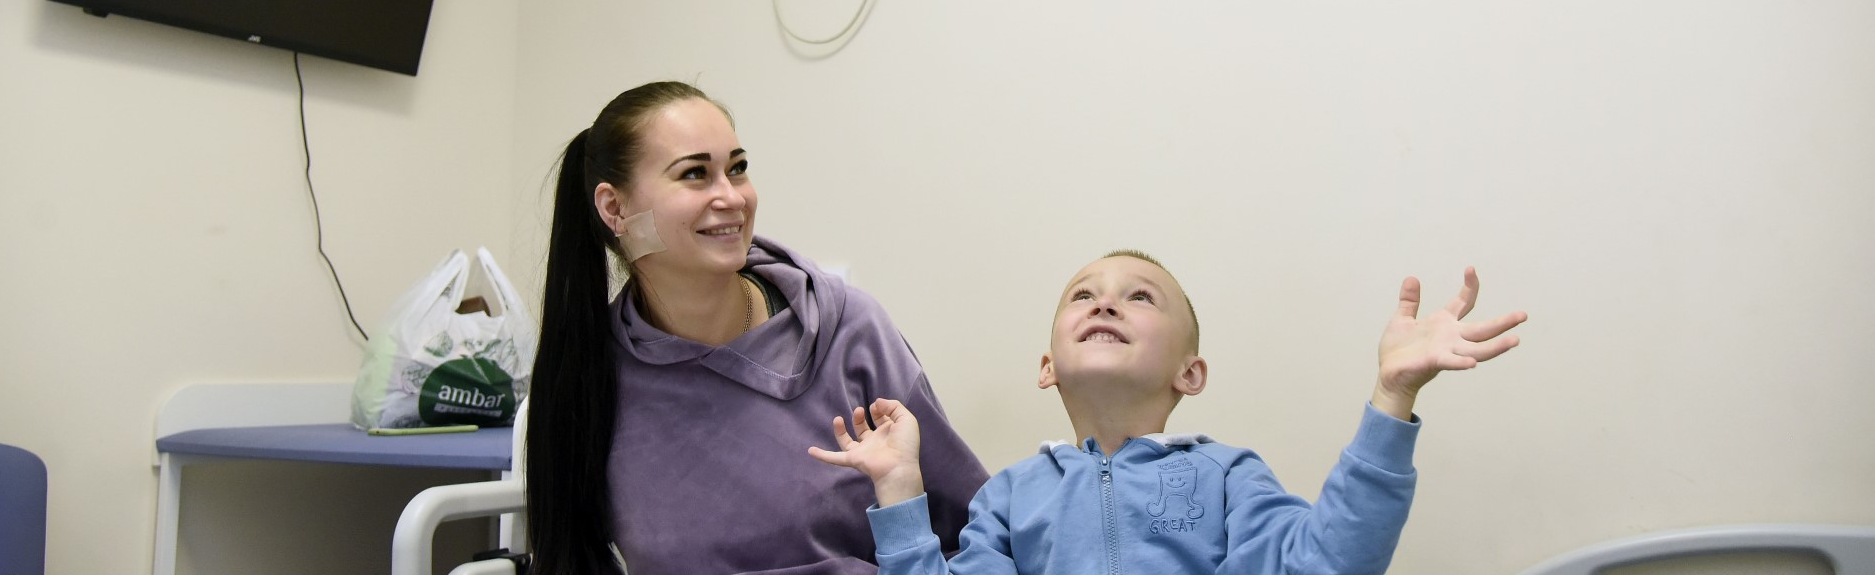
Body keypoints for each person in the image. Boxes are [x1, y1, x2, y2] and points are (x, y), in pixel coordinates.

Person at [810, 250, 1528, 575]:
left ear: (1192, 373)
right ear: (1046, 368)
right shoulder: (1009, 497)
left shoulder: (1227, 477)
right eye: (1083, 295)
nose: (1105, 302)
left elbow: (1329, 563)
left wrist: (1392, 396)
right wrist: (901, 492)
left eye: (1140, 296)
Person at [527, 81, 989, 575]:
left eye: (738, 169)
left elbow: (977, 532)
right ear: (615, 209)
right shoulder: (590, 370)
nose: (732, 196)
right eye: (695, 174)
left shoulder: (852, 333)